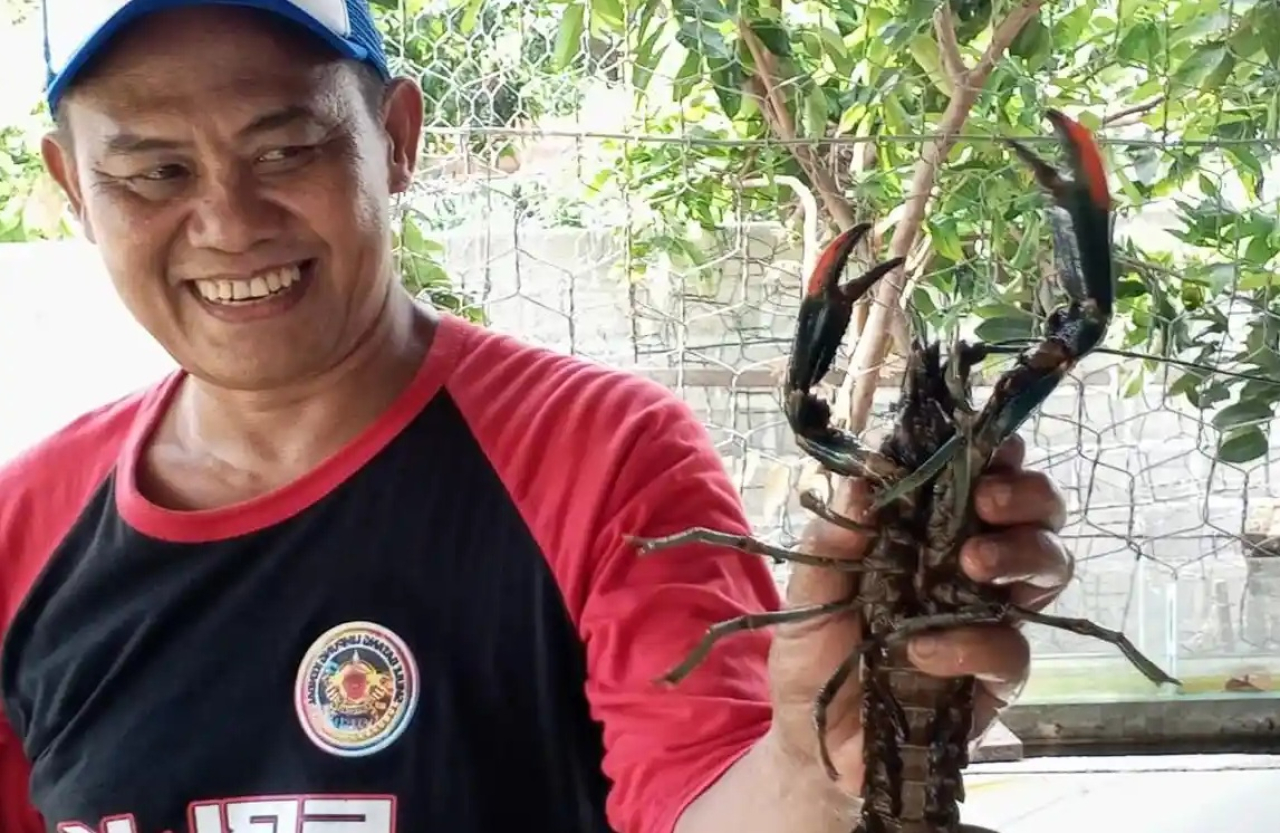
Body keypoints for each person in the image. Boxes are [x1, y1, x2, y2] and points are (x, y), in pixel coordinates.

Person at [0, 1, 1073, 832]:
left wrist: (808, 762)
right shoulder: (21, 527)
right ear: (73, 190)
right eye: (153, 172)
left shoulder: (605, 457)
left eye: (288, 150)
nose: (228, 222)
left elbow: (707, 799)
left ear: (396, 139)